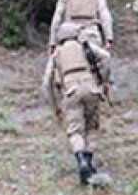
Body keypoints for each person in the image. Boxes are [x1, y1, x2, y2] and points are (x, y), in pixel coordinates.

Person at [42, 22, 110, 185]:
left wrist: (55, 106)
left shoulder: (57, 54)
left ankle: (82, 161)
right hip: (92, 88)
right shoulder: (85, 47)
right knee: (92, 127)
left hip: (71, 91)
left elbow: (47, 82)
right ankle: (89, 161)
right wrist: (104, 80)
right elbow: (106, 57)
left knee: (74, 131)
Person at [49, 0, 113, 51]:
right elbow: (105, 17)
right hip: (90, 33)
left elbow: (56, 18)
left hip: (67, 33)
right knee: (100, 60)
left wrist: (52, 42)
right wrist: (109, 38)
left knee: (55, 60)